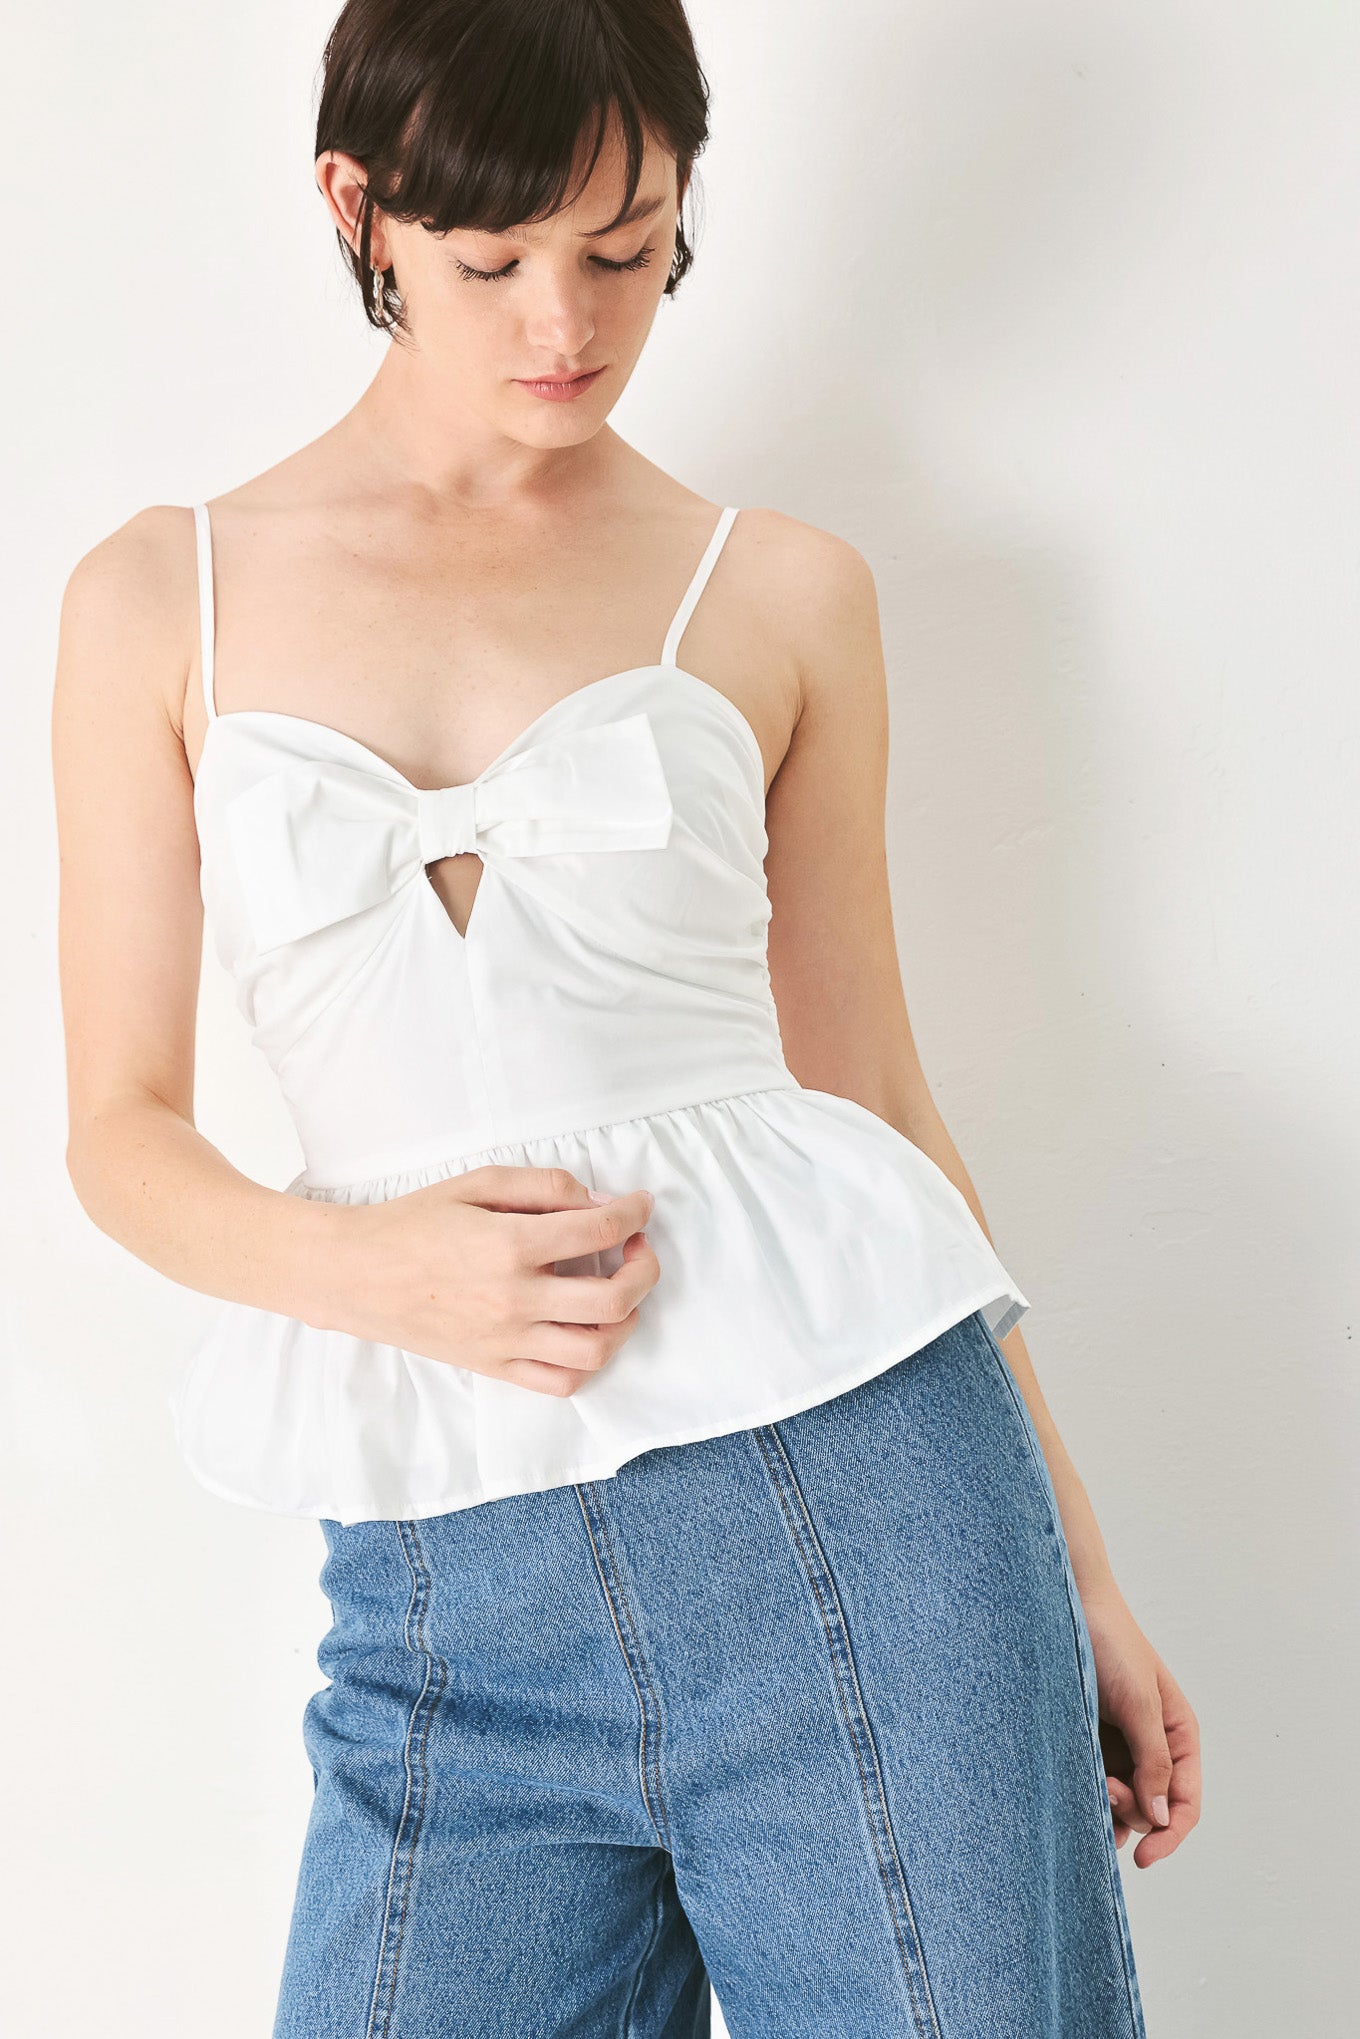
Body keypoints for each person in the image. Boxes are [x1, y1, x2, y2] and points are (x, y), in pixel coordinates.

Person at [51, 1, 1199, 2032]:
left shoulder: (779, 592)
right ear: (359, 208)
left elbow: (875, 1101)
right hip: (441, 1619)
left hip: (860, 1531)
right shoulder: (161, 597)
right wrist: (377, 1273)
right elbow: (117, 1131)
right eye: (491, 260)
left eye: (625, 247)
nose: (562, 325)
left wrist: (1079, 1561)